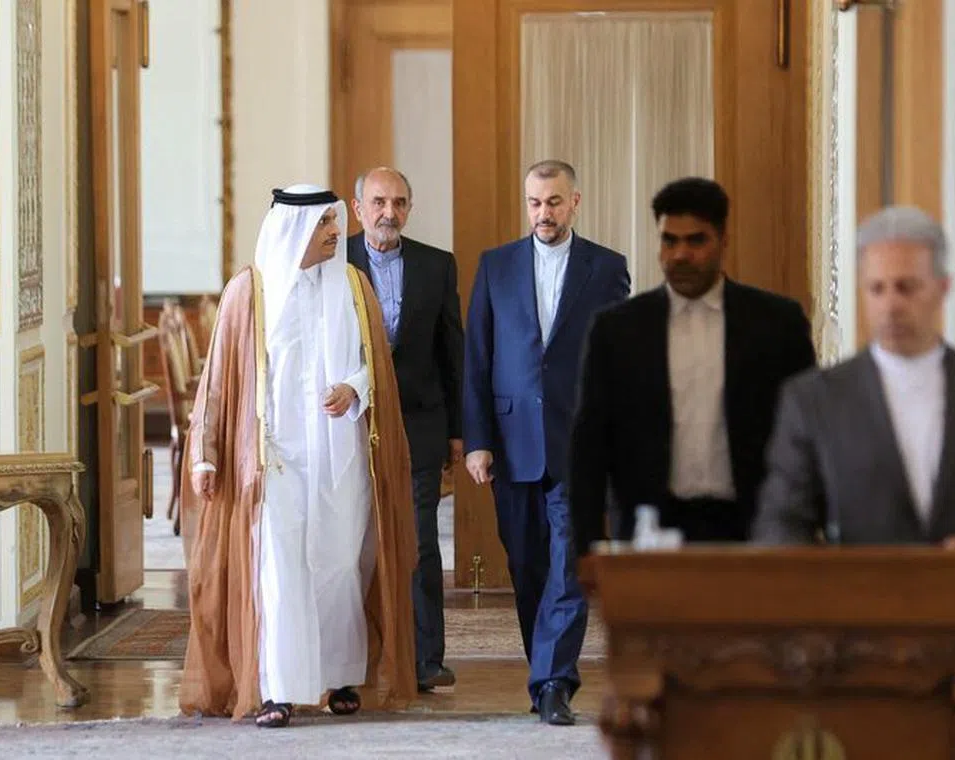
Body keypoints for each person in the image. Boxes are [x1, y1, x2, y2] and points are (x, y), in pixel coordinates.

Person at [178, 184, 418, 728]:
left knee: (337, 567)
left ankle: (337, 679)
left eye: (335, 224)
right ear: (294, 231)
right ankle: (277, 689)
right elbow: (218, 378)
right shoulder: (251, 292)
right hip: (272, 461)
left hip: (341, 458)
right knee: (279, 571)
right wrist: (205, 453)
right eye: (325, 227)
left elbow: (373, 363)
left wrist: (355, 388)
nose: (337, 234)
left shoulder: (353, 287)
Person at [463, 159, 630, 725]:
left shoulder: (607, 269)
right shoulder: (496, 266)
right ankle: (545, 671)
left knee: (567, 566)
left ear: (575, 202)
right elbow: (478, 360)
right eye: (535, 203)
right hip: (512, 444)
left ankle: (556, 680)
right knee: (528, 565)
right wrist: (477, 442)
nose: (544, 213)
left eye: (554, 202)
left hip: (579, 444)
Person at [753, 205, 955, 546]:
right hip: (857, 594)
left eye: (906, 287)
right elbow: (780, 525)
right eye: (877, 289)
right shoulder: (814, 400)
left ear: (943, 288)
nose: (891, 305)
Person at [569, 177, 816, 554]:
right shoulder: (617, 330)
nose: (681, 254)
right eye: (670, 240)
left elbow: (805, 434)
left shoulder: (776, 324)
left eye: (696, 240)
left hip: (753, 526)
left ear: (723, 241)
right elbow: (589, 443)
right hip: (650, 529)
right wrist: (586, 546)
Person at [347, 167, 464, 692]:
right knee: (350, 540)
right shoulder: (333, 260)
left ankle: (426, 660)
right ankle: (354, 660)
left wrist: (460, 431)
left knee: (418, 541)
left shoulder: (437, 266)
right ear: (358, 208)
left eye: (397, 203)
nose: (387, 212)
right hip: (348, 423)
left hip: (420, 421)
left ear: (409, 209)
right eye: (377, 202)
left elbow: (452, 353)